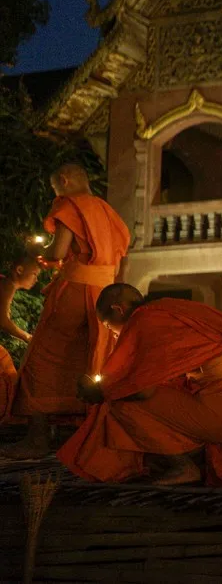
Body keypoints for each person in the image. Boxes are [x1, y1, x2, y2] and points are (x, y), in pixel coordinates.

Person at [57, 284, 222, 485]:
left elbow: (141, 390)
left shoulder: (145, 320)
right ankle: (188, 459)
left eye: (109, 326)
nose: (114, 335)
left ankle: (182, 465)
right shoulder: (171, 309)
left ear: (118, 309)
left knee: (120, 403)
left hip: (221, 414)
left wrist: (101, 391)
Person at [4, 164, 131, 459]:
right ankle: (90, 438)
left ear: (63, 180)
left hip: (74, 291)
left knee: (42, 359)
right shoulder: (109, 212)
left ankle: (37, 439)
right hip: (106, 293)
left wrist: (42, 254)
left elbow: (58, 252)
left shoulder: (71, 205)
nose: (55, 194)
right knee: (94, 360)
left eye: (54, 188)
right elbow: (122, 259)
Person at [0, 256, 41, 420]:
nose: (36, 280)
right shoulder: (7, 285)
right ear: (19, 270)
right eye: (34, 274)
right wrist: (26, 336)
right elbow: (3, 321)